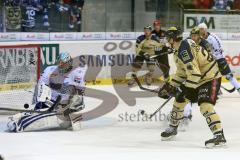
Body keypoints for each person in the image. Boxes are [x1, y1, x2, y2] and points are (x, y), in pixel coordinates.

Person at [158, 27, 226, 148]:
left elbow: (194, 74)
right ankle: (173, 129)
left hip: (210, 77)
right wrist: (170, 85)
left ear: (173, 39)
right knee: (179, 99)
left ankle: (219, 135)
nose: (167, 41)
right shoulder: (179, 49)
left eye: (168, 39)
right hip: (198, 77)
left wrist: (184, 90)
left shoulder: (184, 51)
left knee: (205, 106)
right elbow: (182, 73)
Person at [7, 52, 86, 132]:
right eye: (60, 63)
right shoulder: (50, 70)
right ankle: (22, 117)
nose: (61, 65)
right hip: (50, 102)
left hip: (65, 106)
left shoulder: (77, 74)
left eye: (64, 63)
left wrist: (71, 107)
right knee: (39, 111)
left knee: (47, 117)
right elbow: (41, 85)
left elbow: (79, 95)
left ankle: (20, 124)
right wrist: (42, 100)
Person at [198, 23, 240, 94]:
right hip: (209, 61)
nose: (200, 31)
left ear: (205, 29)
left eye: (202, 29)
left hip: (219, 59)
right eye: (199, 29)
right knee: (210, 76)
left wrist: (213, 57)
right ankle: (217, 90)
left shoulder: (212, 38)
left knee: (228, 75)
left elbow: (219, 50)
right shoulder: (200, 39)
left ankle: (238, 88)